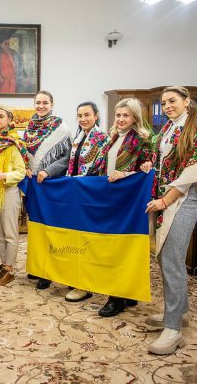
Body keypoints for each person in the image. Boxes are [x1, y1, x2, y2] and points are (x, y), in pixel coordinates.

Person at [144, 86, 197, 355]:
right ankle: (179, 312)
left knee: (172, 260)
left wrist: (165, 200)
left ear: (187, 102)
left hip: (183, 201)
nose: (167, 106)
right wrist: (148, 165)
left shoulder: (195, 129)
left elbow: (191, 173)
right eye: (163, 103)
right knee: (164, 258)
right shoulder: (167, 129)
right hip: (166, 198)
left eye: (172, 101)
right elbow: (160, 160)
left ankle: (173, 329)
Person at [92, 98, 154, 317]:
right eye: (118, 115)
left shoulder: (142, 141)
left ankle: (116, 298)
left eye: (126, 115)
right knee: (112, 247)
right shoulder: (113, 138)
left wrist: (128, 173)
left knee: (121, 250)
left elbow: (147, 172)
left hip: (128, 204)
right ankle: (127, 293)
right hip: (110, 199)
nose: (120, 119)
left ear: (135, 117)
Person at [57, 101, 110, 302]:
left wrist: (83, 182)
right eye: (79, 115)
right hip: (76, 195)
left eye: (87, 115)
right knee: (75, 239)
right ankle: (77, 280)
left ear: (96, 116)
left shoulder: (102, 138)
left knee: (87, 241)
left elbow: (101, 169)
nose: (83, 119)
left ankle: (85, 286)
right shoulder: (79, 137)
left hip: (91, 195)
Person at [22, 90, 71, 290]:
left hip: (51, 185)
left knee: (51, 228)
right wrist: (25, 166)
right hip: (33, 185)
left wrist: (47, 171)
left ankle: (49, 272)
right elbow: (23, 152)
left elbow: (67, 158)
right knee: (35, 228)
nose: (41, 106)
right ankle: (37, 266)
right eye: (38, 103)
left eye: (45, 103)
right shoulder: (29, 127)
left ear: (52, 104)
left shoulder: (61, 126)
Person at [0, 105, 28, 286]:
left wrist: (5, 176)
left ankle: (10, 268)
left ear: (9, 119)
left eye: (1, 116)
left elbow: (21, 172)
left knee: (10, 232)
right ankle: (3, 264)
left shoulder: (14, 143)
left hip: (8, 191)